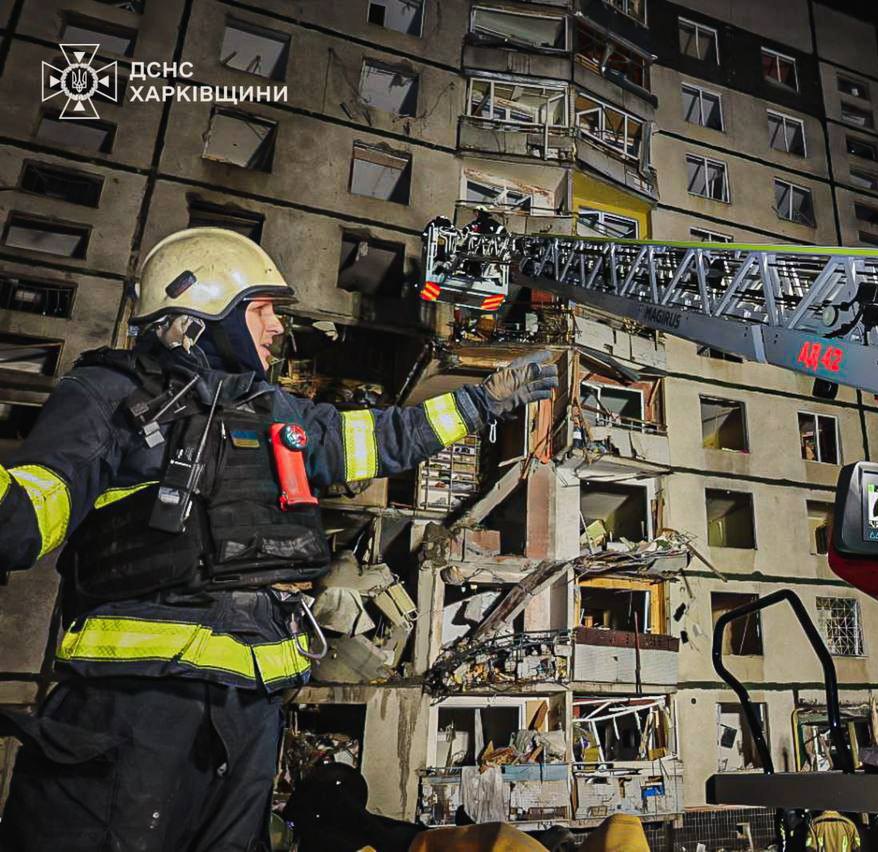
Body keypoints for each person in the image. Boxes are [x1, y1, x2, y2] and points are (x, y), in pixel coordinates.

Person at [0, 227, 558, 851]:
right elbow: (28, 510)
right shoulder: (110, 393)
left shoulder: (279, 414)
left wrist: (483, 403)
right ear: (201, 310)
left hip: (252, 715)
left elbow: (380, 439)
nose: (274, 329)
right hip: (140, 700)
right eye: (261, 311)